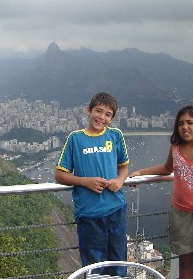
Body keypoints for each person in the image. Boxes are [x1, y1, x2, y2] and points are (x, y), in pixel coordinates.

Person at [130, 105, 193, 279]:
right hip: (181, 215)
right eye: (180, 123)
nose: (185, 127)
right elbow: (166, 168)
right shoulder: (176, 148)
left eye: (190, 122)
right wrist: (141, 172)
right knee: (185, 263)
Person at [55, 92, 129, 277]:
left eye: (108, 114)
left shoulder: (115, 135)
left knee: (118, 262)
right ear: (88, 111)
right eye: (98, 111)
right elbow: (59, 174)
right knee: (94, 266)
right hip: (89, 214)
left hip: (116, 209)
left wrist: (119, 181)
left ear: (112, 118)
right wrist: (85, 182)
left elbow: (124, 168)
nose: (102, 117)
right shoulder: (76, 138)